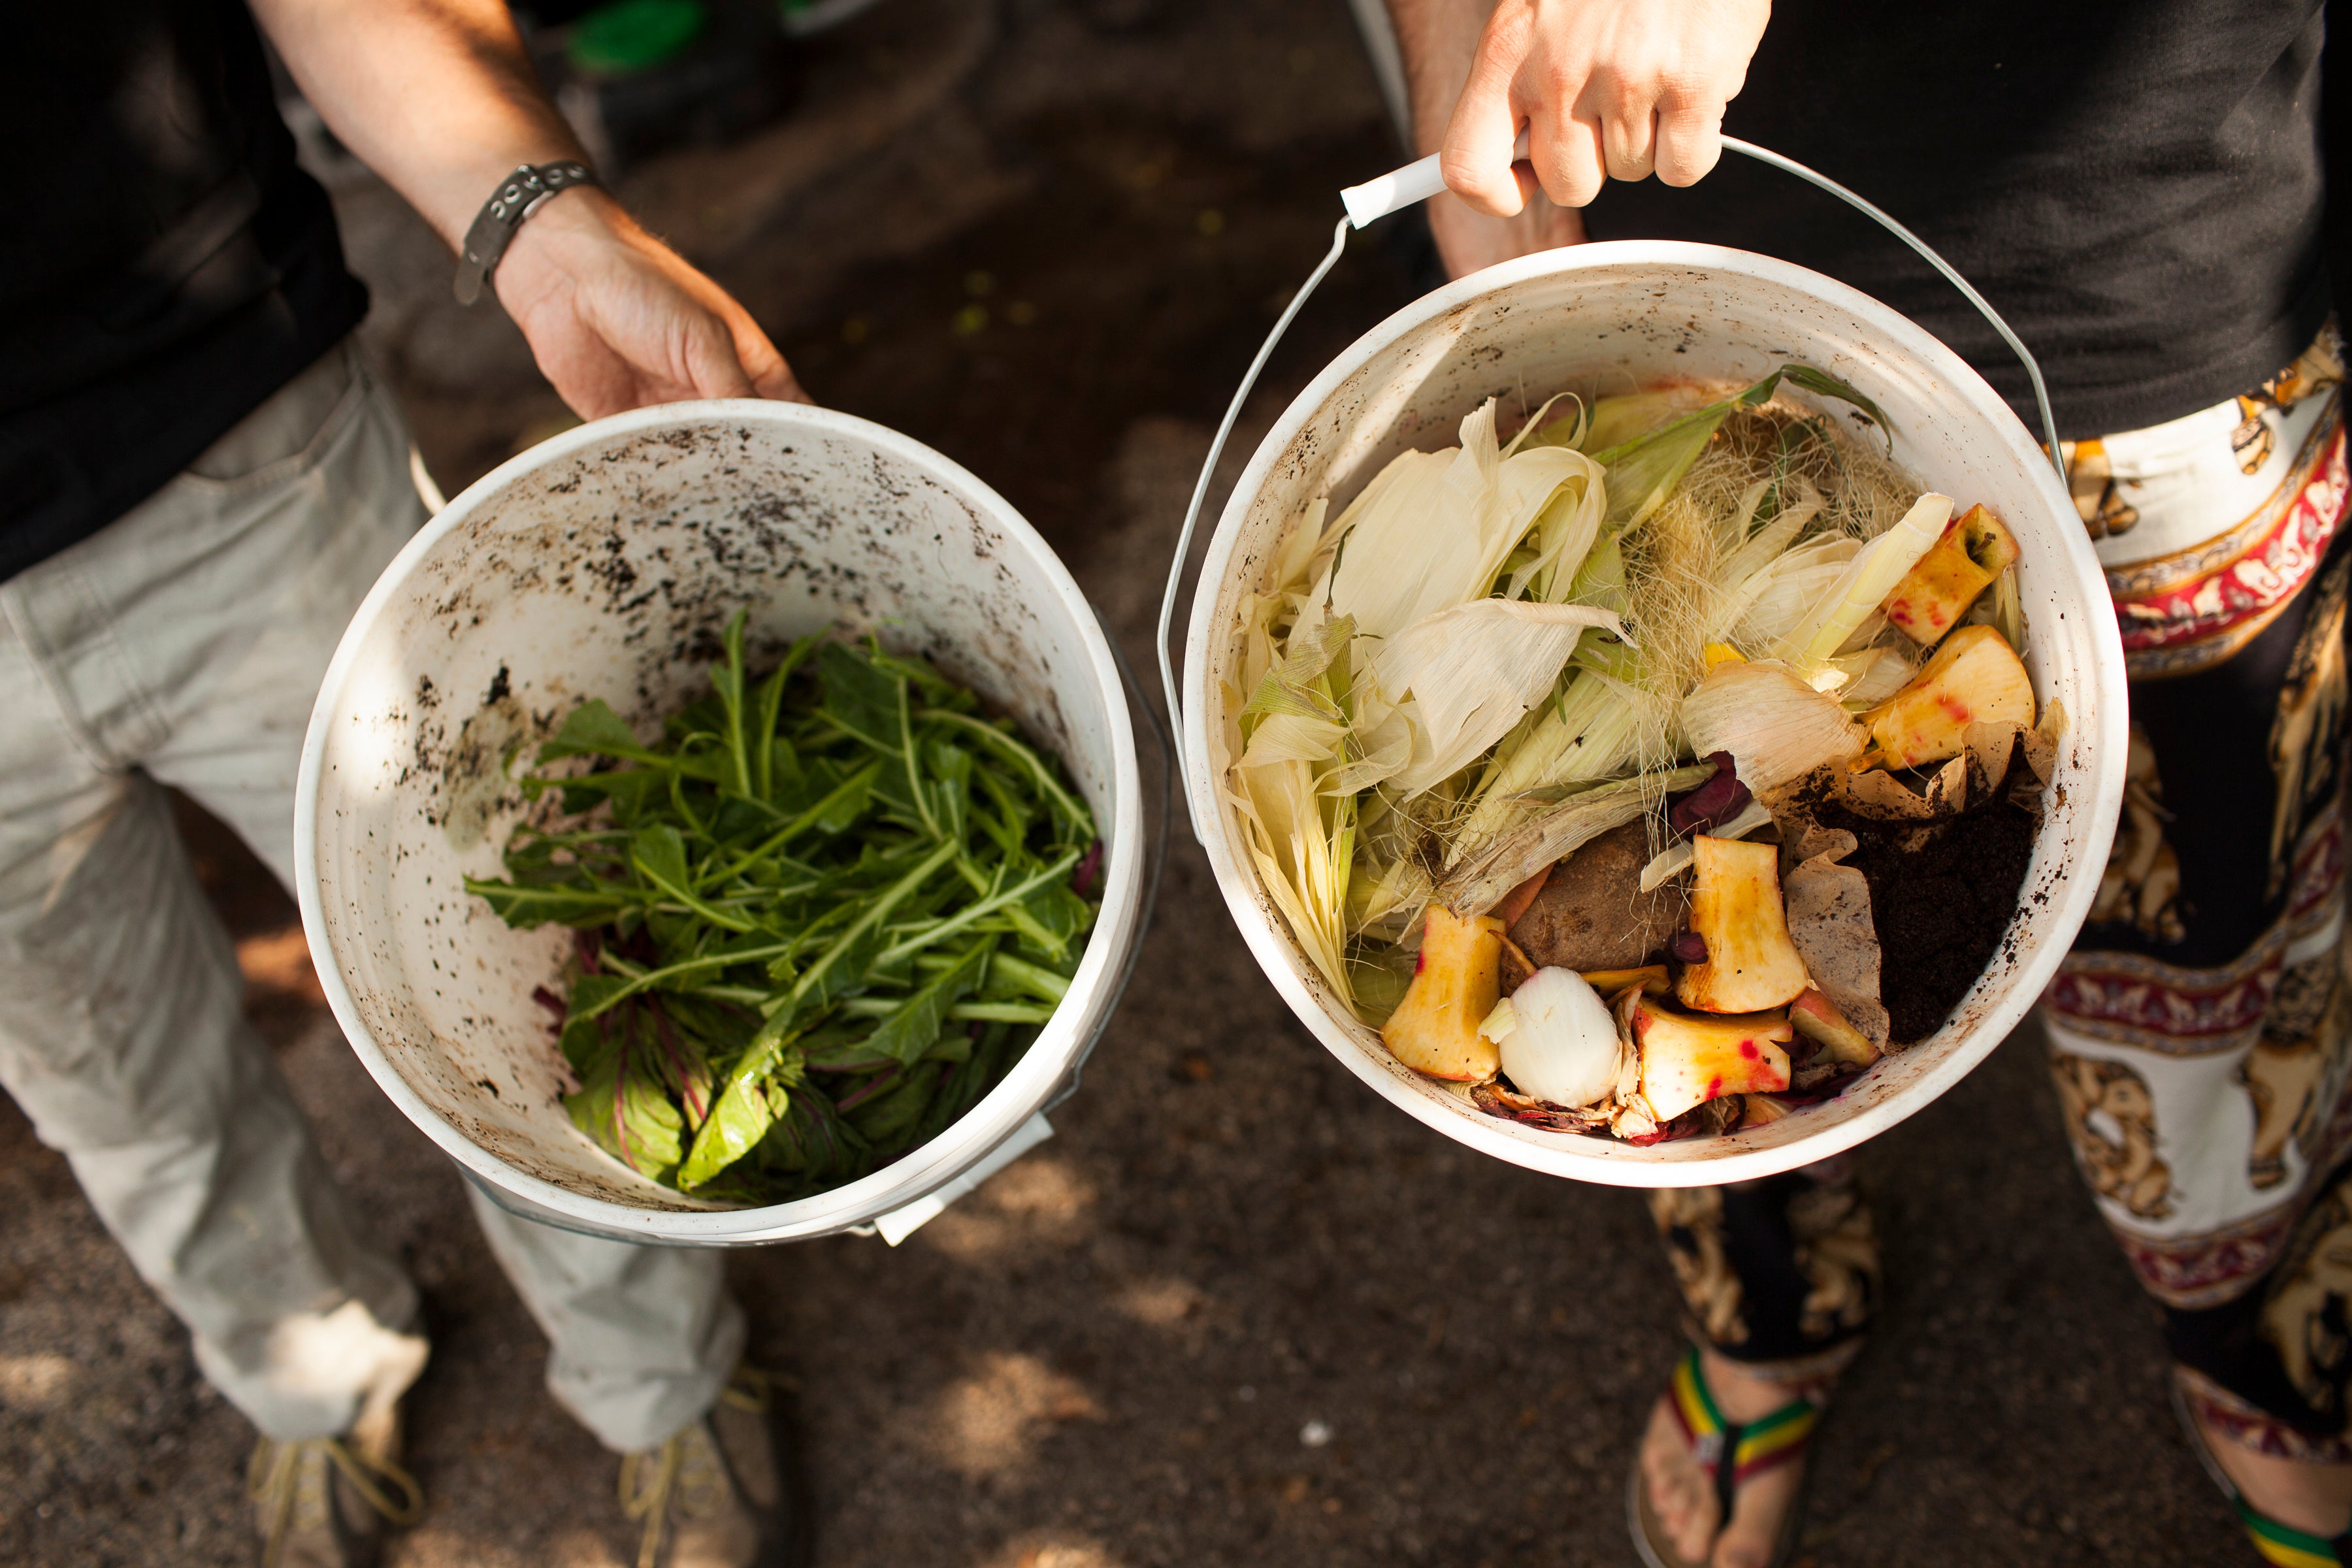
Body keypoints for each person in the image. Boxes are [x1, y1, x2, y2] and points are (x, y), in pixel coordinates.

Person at [1377, 3, 2345, 1565]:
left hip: (2130, 264)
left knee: (2216, 914)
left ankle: (2247, 1322)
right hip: (1677, 273)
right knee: (1630, 940)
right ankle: (1767, 1298)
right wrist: (1457, 70)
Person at [5, 4, 806, 1565]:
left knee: (534, 997)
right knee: (114, 1084)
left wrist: (536, 214)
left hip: (224, 440)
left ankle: (667, 1382)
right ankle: (311, 1368)